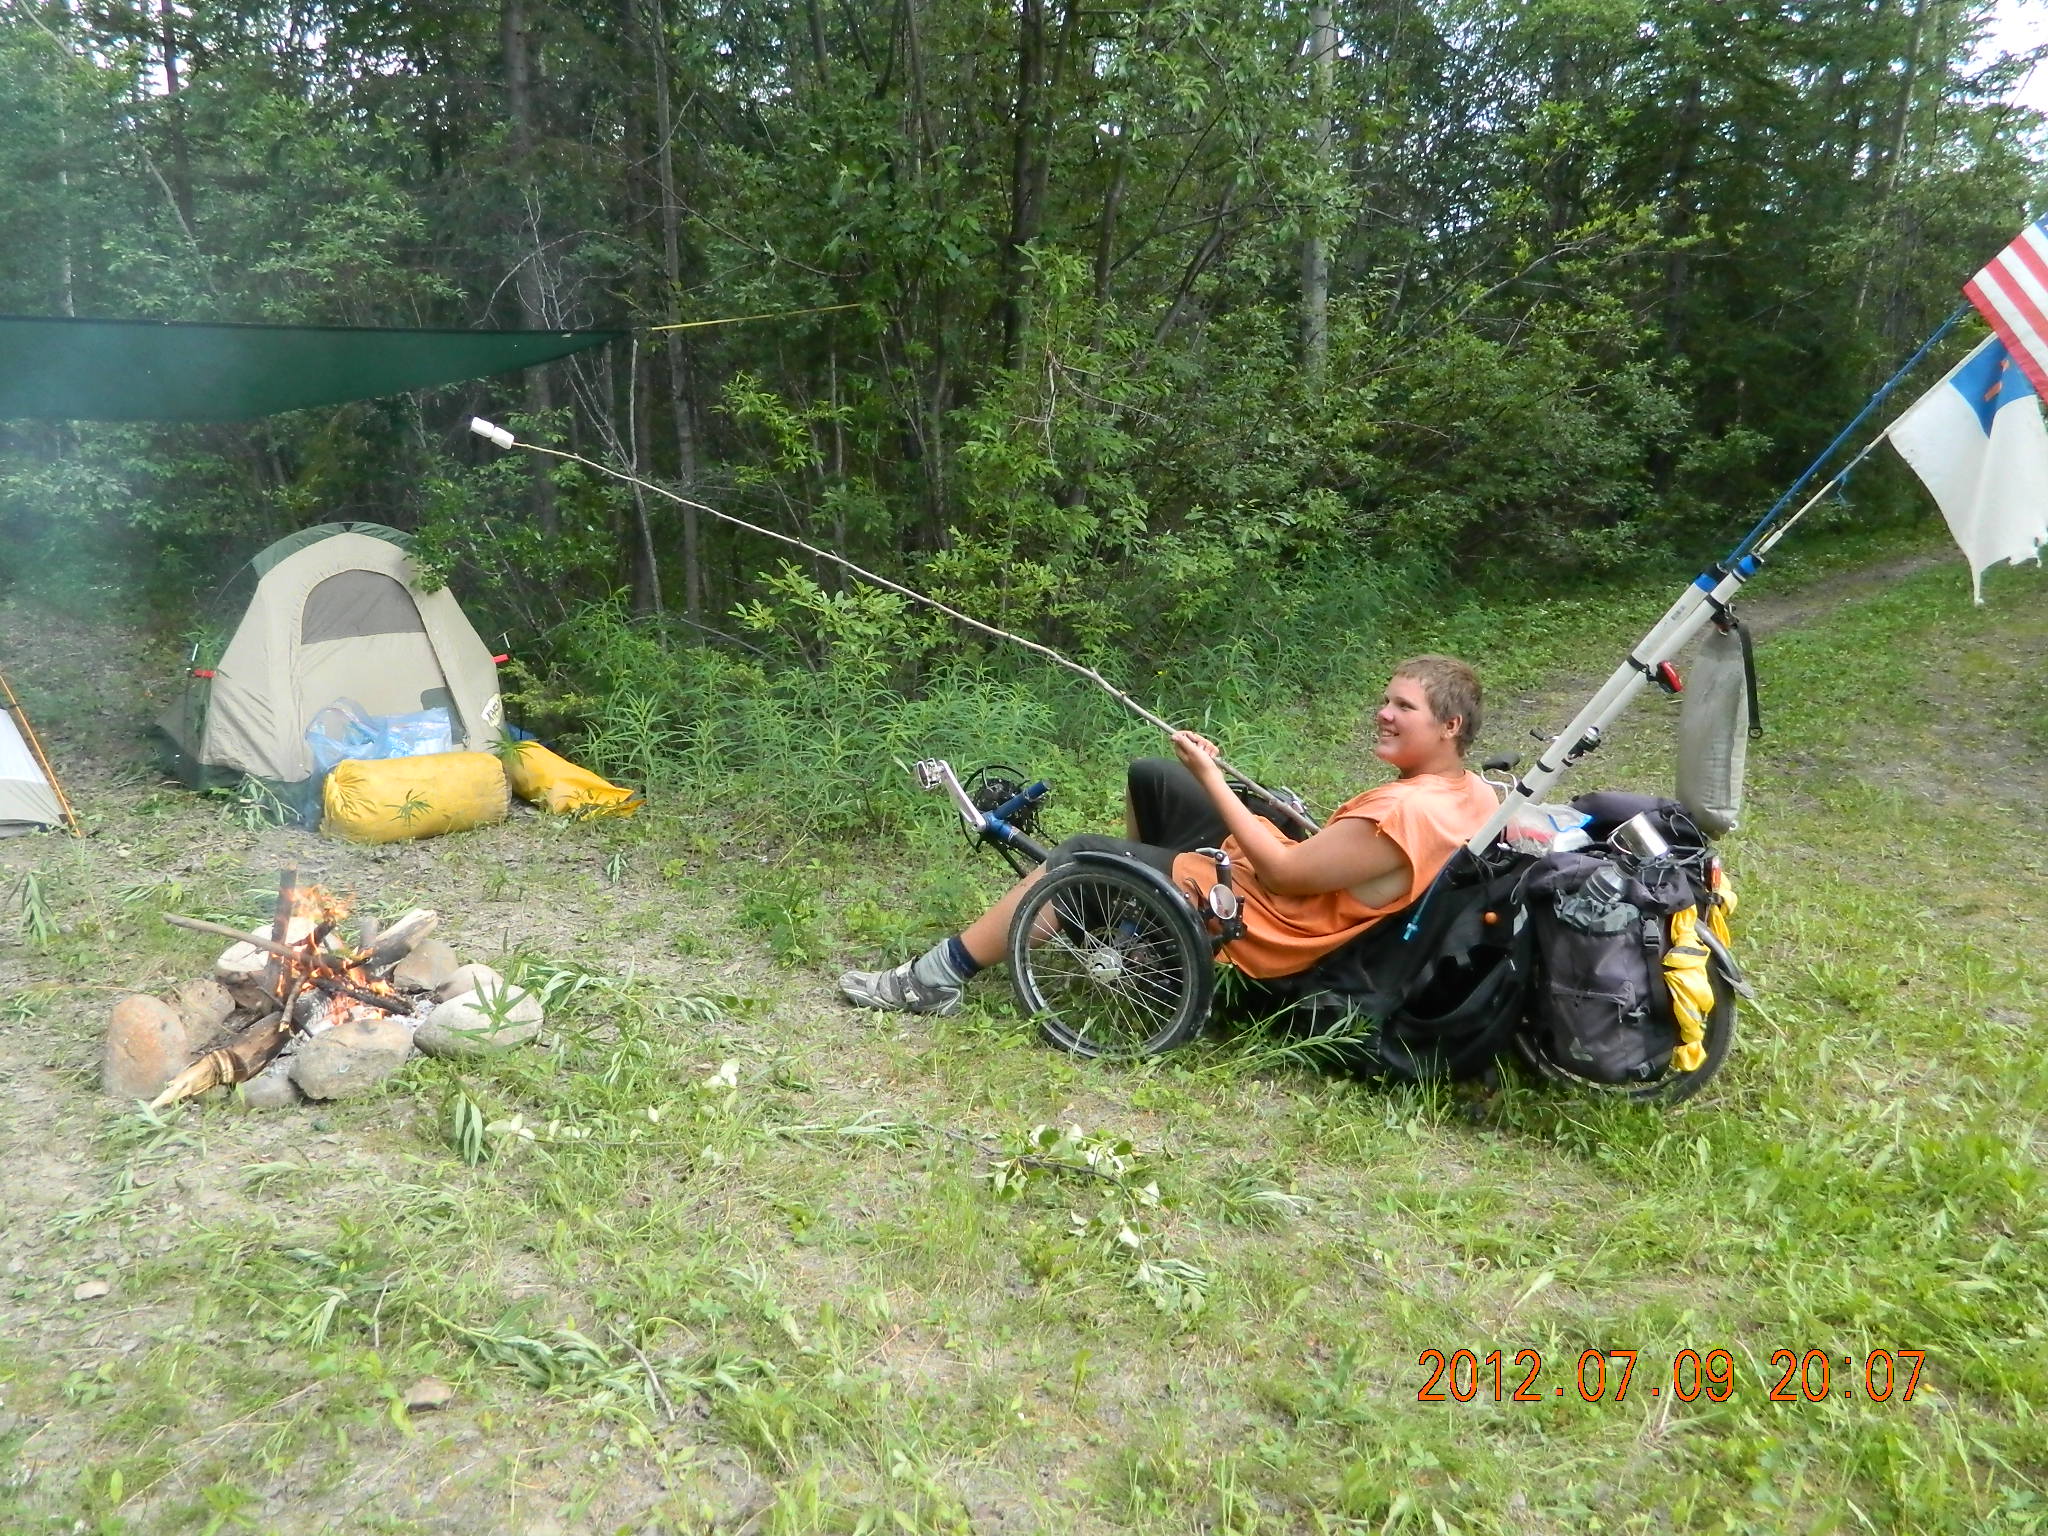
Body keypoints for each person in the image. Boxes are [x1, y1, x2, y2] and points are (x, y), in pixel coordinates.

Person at [838, 654, 1500, 1015]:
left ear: (1449, 727)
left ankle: (934, 979)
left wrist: (1213, 777)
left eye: (1403, 707)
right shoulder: (1470, 791)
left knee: (1079, 857)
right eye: (1386, 699)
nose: (1383, 713)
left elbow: (1286, 876)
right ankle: (1134, 926)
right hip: (1278, 887)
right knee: (1153, 777)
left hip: (1267, 923)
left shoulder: (1405, 813)